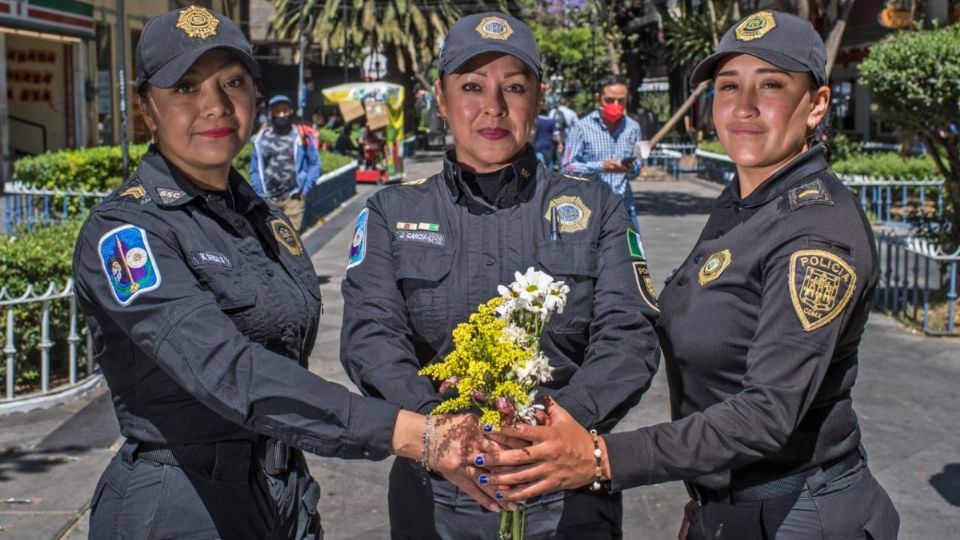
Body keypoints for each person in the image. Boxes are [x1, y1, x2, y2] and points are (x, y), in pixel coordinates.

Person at [72, 7, 506, 539]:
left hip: (282, 492)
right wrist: (413, 432)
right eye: (185, 87)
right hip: (182, 503)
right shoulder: (126, 233)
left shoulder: (263, 219)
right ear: (146, 109)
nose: (215, 104)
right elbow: (226, 369)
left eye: (233, 81)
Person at [478, 11, 900, 540]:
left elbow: (767, 414)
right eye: (729, 86)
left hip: (796, 514)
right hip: (731, 508)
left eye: (770, 85)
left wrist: (601, 457)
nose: (744, 106)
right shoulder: (746, 199)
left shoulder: (815, 233)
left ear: (815, 106)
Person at [339, 11, 661, 540]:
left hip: (569, 492)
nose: (492, 107)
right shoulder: (390, 212)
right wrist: (442, 430)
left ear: (537, 99)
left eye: (513, 86)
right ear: (440, 100)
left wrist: (552, 428)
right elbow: (370, 339)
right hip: (435, 492)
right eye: (471, 86)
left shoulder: (596, 206)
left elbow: (629, 335)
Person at [562, 74, 643, 231]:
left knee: (633, 254)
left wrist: (630, 169)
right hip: (590, 207)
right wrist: (600, 166)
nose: (615, 105)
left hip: (623, 205)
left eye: (621, 101)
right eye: (609, 100)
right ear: (598, 98)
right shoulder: (581, 128)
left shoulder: (633, 128)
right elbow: (567, 167)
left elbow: (637, 167)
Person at [249, 94, 321, 232]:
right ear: (271, 113)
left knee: (292, 245)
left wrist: (304, 189)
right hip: (268, 201)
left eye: (284, 110)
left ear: (291, 112)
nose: (281, 114)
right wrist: (260, 194)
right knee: (271, 243)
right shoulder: (261, 139)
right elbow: (254, 170)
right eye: (277, 111)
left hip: (293, 199)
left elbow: (315, 163)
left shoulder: (302, 135)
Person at [533, 104, 559, 170]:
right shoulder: (552, 121)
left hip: (538, 144)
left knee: (539, 163)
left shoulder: (536, 120)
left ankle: (540, 177)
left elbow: (532, 132)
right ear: (547, 112)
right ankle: (550, 178)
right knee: (549, 163)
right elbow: (556, 134)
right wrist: (560, 143)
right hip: (549, 145)